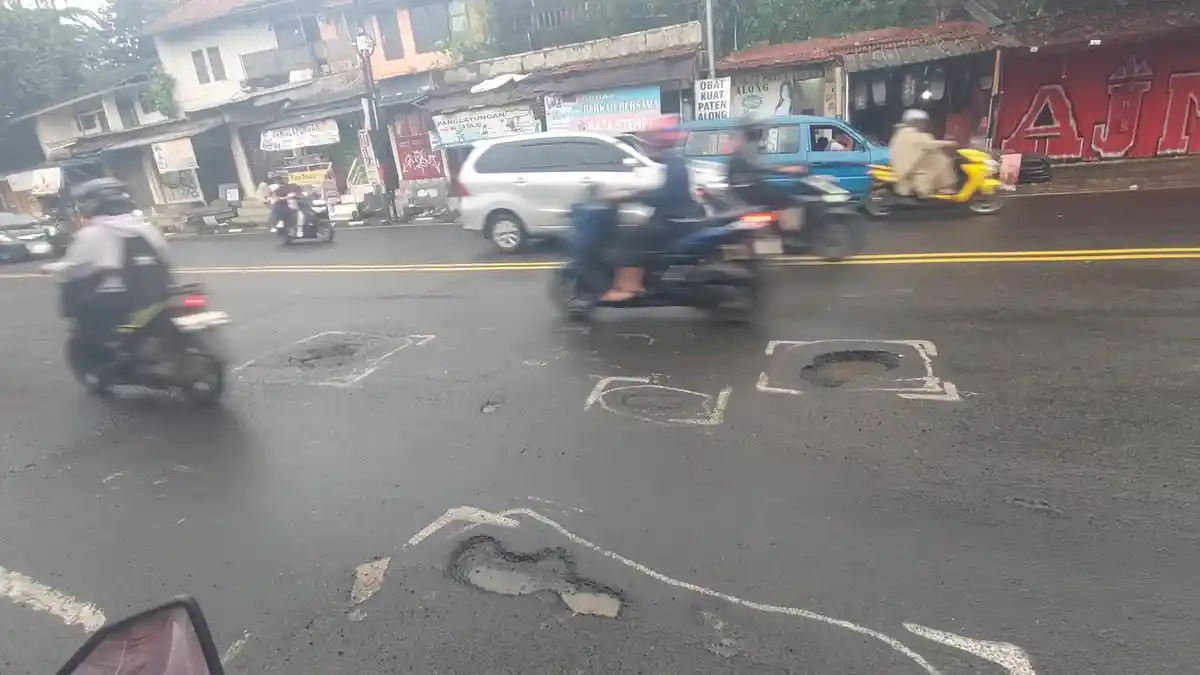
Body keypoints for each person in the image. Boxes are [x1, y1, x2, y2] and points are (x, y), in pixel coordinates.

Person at [55, 178, 173, 377]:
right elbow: (165, 254)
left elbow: (75, 265)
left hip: (121, 299)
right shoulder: (145, 226)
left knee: (86, 314)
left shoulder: (93, 233)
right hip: (161, 291)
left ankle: (109, 360)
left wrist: (53, 268)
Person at [601, 116, 698, 301]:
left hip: (675, 219)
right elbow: (665, 190)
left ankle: (630, 287)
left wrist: (633, 196)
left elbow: (668, 195)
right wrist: (633, 193)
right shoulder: (671, 159)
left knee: (632, 235)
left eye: (650, 136)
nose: (648, 141)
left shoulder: (672, 159)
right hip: (679, 216)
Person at [726, 118, 808, 210]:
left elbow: (759, 168)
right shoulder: (743, 153)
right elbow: (760, 168)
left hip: (749, 193)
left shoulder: (739, 155)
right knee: (794, 196)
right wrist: (788, 170)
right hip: (753, 195)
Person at [888, 108, 958, 198]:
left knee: (937, 157)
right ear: (914, 122)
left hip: (908, 166)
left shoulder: (902, 132)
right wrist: (948, 143)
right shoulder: (907, 132)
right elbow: (924, 143)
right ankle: (933, 188)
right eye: (922, 122)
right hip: (907, 169)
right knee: (941, 160)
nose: (924, 124)